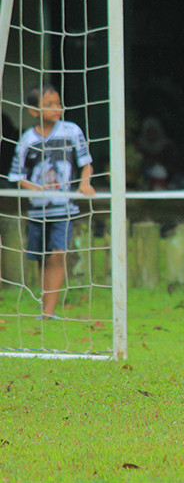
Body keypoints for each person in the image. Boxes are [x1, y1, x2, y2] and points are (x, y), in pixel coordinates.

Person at [9, 83, 94, 320]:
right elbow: (17, 176)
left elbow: (85, 162)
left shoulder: (72, 131)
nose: (57, 108)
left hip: (64, 209)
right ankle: (45, 307)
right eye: (49, 105)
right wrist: (33, 188)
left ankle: (50, 311)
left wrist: (85, 184)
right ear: (34, 111)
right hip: (38, 211)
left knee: (58, 254)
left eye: (58, 103)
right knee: (42, 257)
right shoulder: (27, 140)